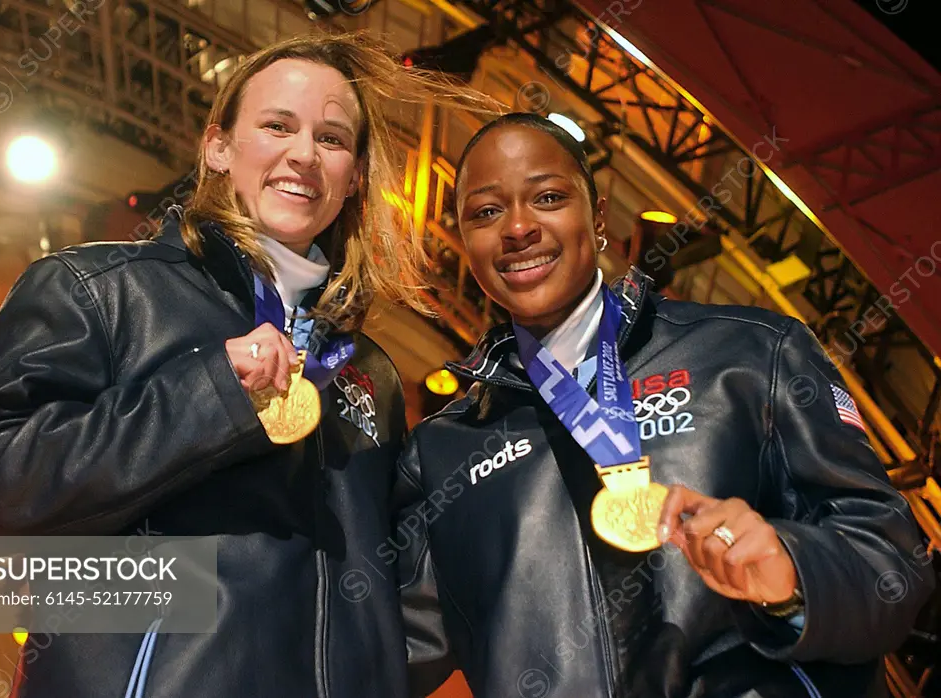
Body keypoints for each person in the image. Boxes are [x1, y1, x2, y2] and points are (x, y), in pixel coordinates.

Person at [0, 33, 495, 698]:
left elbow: (391, 594)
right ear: (217, 146)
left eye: (333, 139)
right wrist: (211, 397)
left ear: (353, 179)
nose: (304, 154)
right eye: (277, 125)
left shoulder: (365, 370)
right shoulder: (101, 289)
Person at [395, 112, 934, 698]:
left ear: (598, 218)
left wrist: (794, 575)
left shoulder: (750, 352)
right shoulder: (444, 448)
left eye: (548, 197)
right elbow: (372, 651)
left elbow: (892, 560)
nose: (518, 227)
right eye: (486, 212)